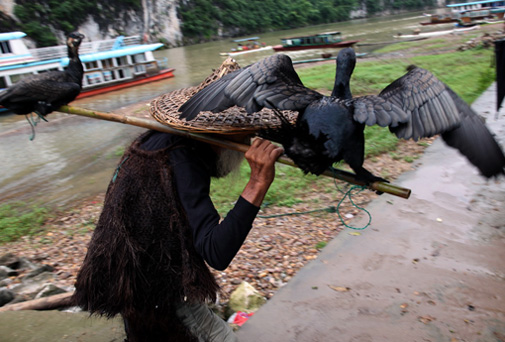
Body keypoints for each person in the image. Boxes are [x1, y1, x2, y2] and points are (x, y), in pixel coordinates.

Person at [72, 129, 284, 342]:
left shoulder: (154, 140)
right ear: (222, 132)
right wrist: (257, 183)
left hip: (128, 283)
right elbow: (216, 252)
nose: (247, 144)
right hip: (161, 296)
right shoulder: (183, 156)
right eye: (245, 137)